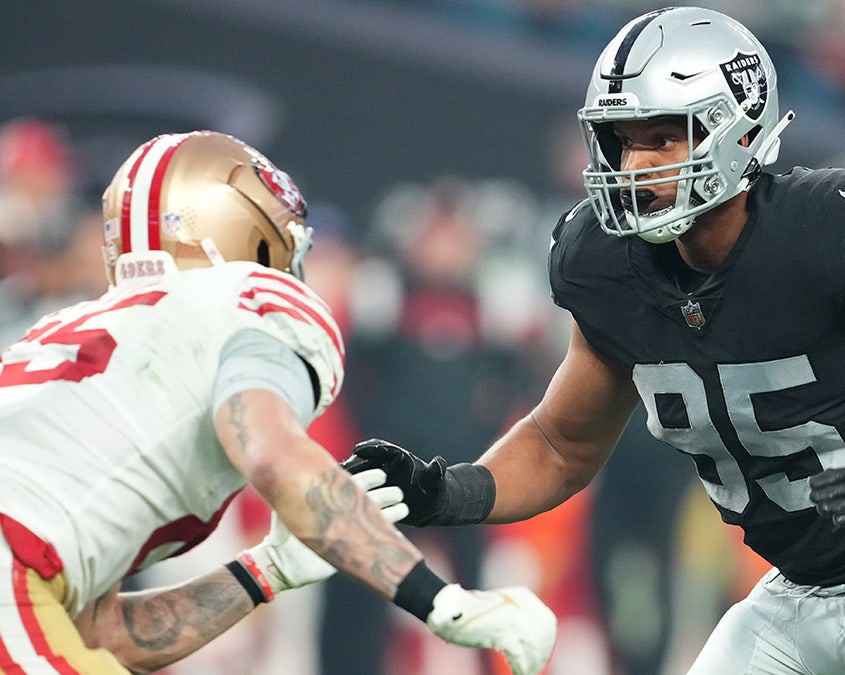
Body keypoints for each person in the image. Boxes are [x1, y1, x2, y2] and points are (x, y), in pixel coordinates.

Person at [347, 6, 845, 674]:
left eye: (664, 136)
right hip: (798, 590)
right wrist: (447, 488)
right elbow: (561, 444)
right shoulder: (604, 263)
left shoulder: (830, 232)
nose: (637, 166)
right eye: (622, 141)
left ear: (740, 129)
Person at [0, 130, 556, 675]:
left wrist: (262, 572)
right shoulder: (251, 302)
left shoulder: (64, 329)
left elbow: (103, 637)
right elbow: (269, 453)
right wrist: (443, 603)